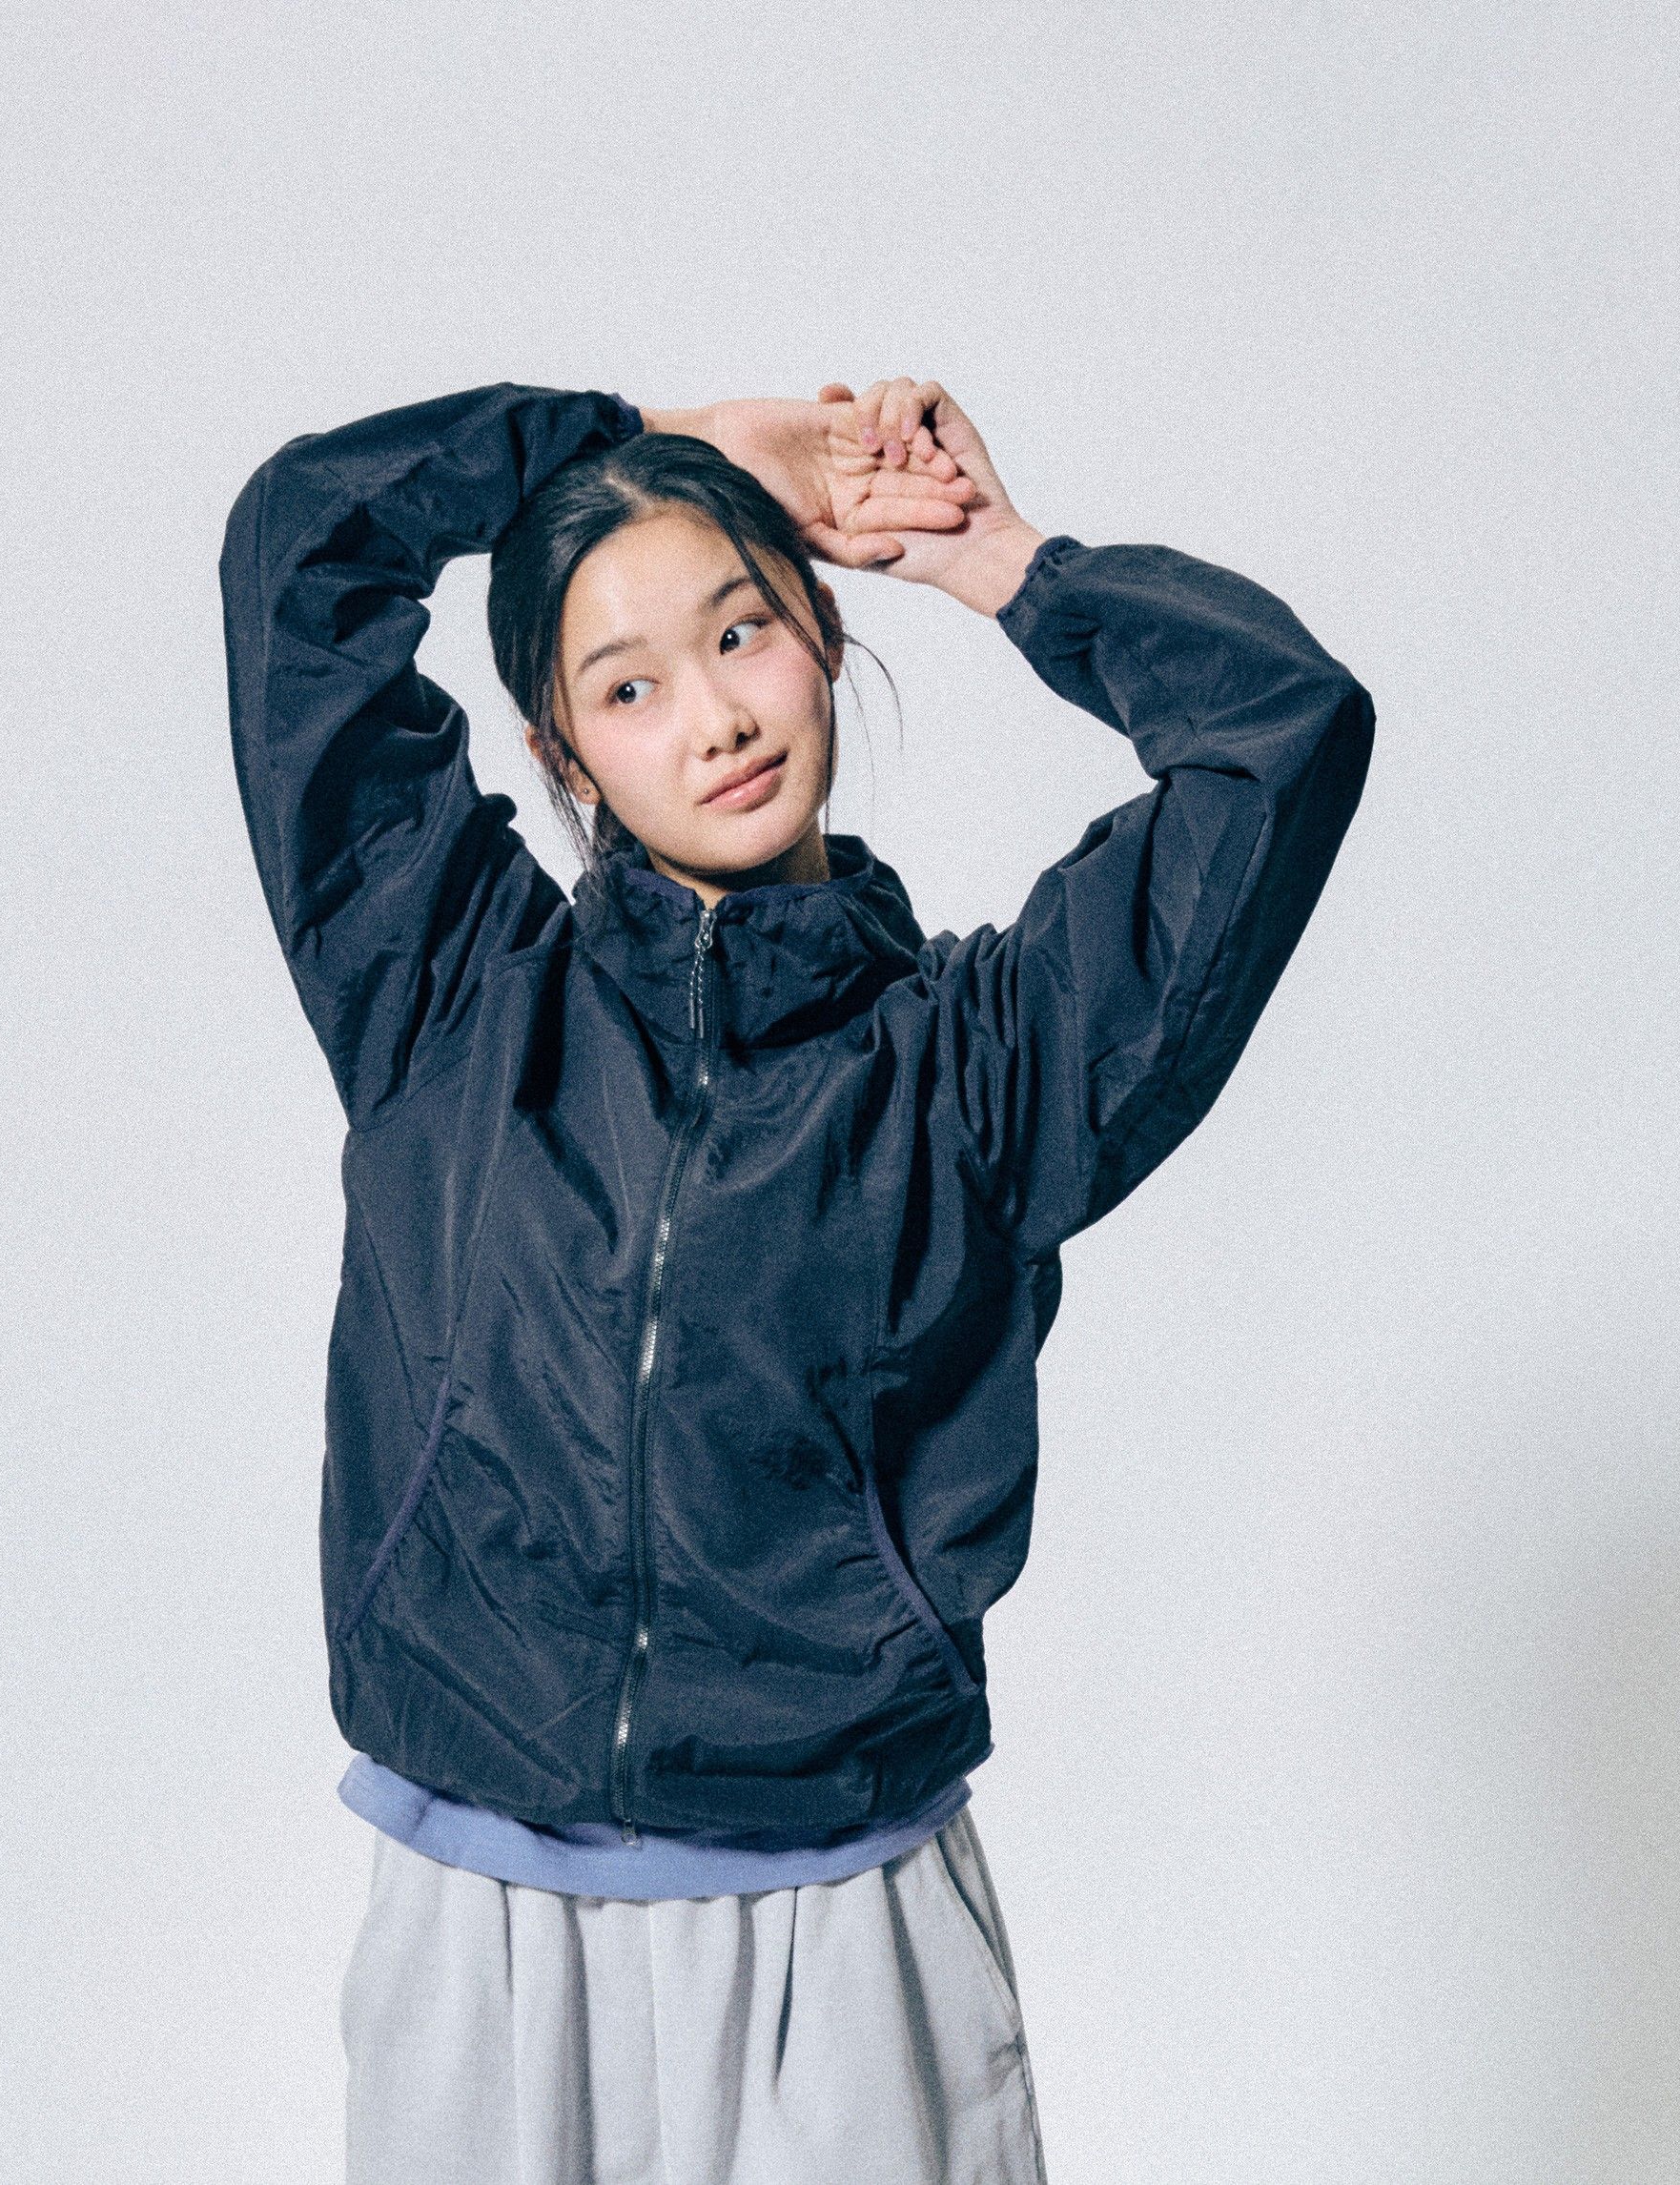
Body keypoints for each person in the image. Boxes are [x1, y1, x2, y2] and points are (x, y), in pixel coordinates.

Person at [221, 374, 1375, 2184]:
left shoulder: (983, 1071)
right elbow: (302, 546)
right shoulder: (444, 993)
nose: (716, 718)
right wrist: (639, 439)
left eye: (742, 630)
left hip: (842, 1926)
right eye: (629, 687)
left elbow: (1283, 735)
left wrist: (1004, 565)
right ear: (561, 749)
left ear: (822, 634)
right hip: (483, 1921)